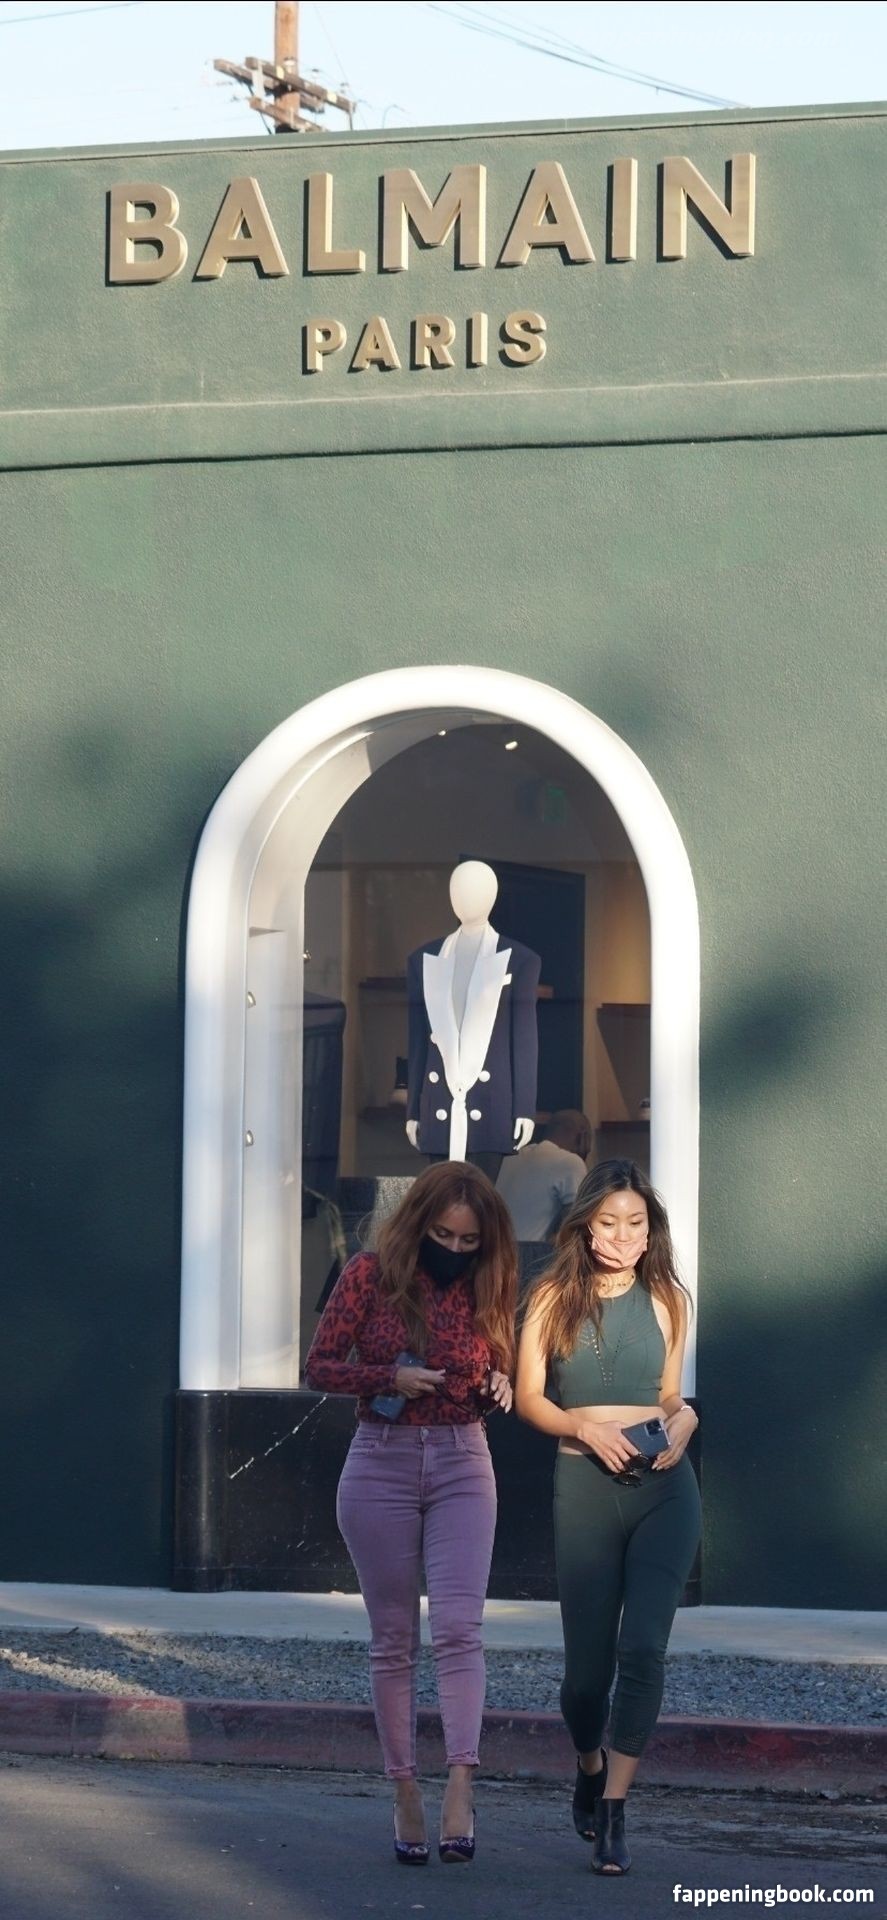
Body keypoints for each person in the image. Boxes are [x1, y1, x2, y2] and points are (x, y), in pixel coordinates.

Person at [304, 1161, 517, 1867]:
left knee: (458, 1628)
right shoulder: (369, 1274)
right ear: (418, 1223)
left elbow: (501, 1362)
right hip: (381, 1457)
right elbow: (319, 1366)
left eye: (468, 1240)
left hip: (462, 1456)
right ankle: (403, 1791)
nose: (454, 1250)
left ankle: (460, 1785)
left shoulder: (490, 1279)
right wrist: (388, 1376)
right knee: (393, 1638)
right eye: (442, 1236)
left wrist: (498, 1382)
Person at [515, 1159, 700, 1877]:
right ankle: (588, 1765)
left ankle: (616, 1811)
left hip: (664, 1487)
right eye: (608, 1223)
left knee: (644, 1650)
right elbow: (529, 1398)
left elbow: (669, 1395)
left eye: (635, 1223)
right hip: (584, 1485)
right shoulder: (551, 1296)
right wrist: (583, 1428)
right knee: (585, 1680)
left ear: (650, 1228)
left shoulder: (669, 1298)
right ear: (585, 1227)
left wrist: (685, 1420)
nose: (623, 1237)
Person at [496, 1110, 592, 1240]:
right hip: (529, 1250)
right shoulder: (570, 1162)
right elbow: (576, 1227)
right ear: (582, 1137)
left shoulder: (512, 1156)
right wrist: (582, 1160)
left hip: (494, 1247)